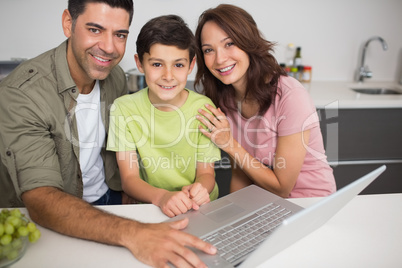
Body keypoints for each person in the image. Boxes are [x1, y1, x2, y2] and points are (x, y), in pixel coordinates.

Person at [0, 1, 216, 267]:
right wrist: (137, 232)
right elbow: (42, 199)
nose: (110, 47)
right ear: (69, 23)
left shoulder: (112, 77)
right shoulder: (22, 94)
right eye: (95, 29)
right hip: (63, 209)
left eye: (120, 34)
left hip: (115, 201)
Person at [194, 4, 336, 198]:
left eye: (229, 44)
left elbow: (282, 187)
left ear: (249, 42)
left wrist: (229, 144)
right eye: (209, 50)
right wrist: (236, 215)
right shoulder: (224, 99)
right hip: (266, 203)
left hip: (310, 203)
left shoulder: (290, 95)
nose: (220, 59)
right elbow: (241, 173)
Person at [107, 15, 221, 218]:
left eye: (178, 65)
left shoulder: (204, 108)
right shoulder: (123, 109)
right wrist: (162, 197)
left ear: (191, 65)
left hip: (199, 207)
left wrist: (199, 189)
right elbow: (129, 179)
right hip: (152, 206)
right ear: (140, 63)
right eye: (157, 64)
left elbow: (206, 173)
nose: (168, 76)